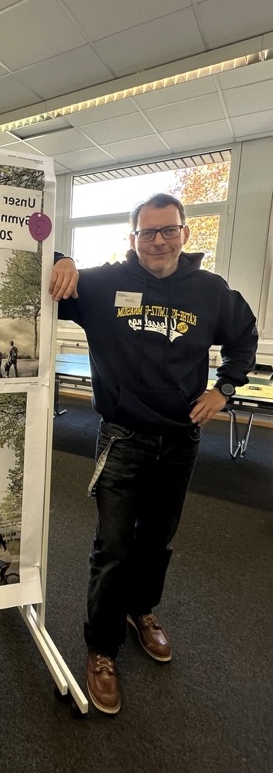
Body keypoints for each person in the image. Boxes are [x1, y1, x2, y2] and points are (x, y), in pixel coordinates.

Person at [49, 192, 258, 715]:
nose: (159, 240)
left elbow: (244, 337)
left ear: (185, 233)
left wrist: (224, 389)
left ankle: (140, 610)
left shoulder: (210, 291)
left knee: (156, 541)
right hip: (123, 438)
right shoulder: (102, 285)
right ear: (133, 237)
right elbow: (35, 270)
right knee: (113, 546)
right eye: (148, 232)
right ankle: (101, 648)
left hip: (181, 441)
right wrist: (62, 257)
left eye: (168, 230)